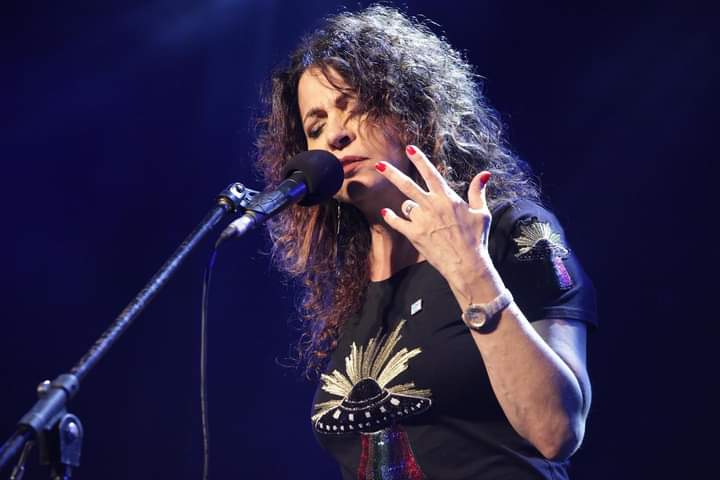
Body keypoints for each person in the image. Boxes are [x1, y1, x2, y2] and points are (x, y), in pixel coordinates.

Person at [256, 6, 597, 479]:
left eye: (356, 107)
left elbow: (556, 430)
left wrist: (469, 267)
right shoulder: (352, 290)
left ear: (410, 109)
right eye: (315, 127)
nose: (335, 134)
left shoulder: (508, 230)